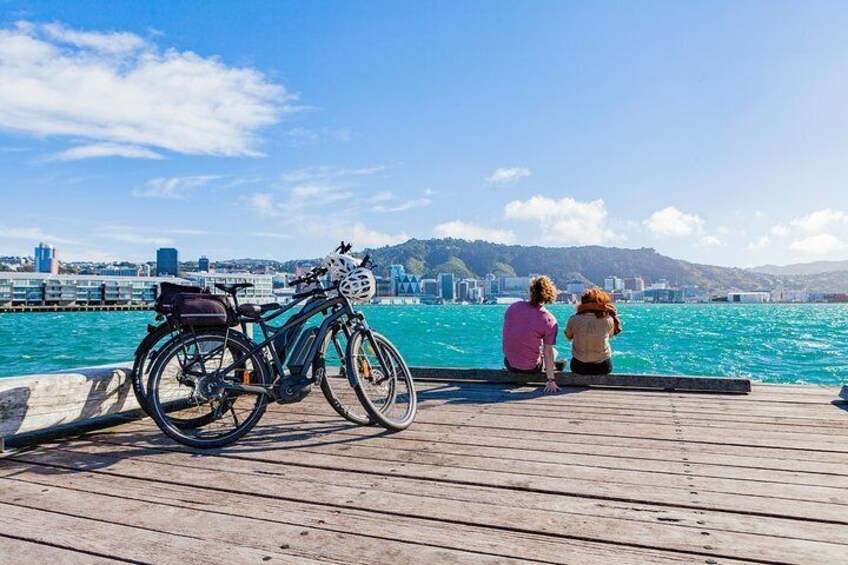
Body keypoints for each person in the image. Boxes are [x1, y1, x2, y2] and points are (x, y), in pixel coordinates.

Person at [502, 276, 563, 393]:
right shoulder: (549, 320)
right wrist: (551, 380)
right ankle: (549, 370)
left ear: (531, 291)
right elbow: (548, 352)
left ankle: (520, 373)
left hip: (509, 363)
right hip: (531, 368)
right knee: (554, 352)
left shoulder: (513, 307)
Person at [565, 287, 622, 375]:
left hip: (579, 367)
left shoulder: (573, 319)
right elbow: (609, 335)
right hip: (603, 367)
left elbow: (568, 337)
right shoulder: (608, 319)